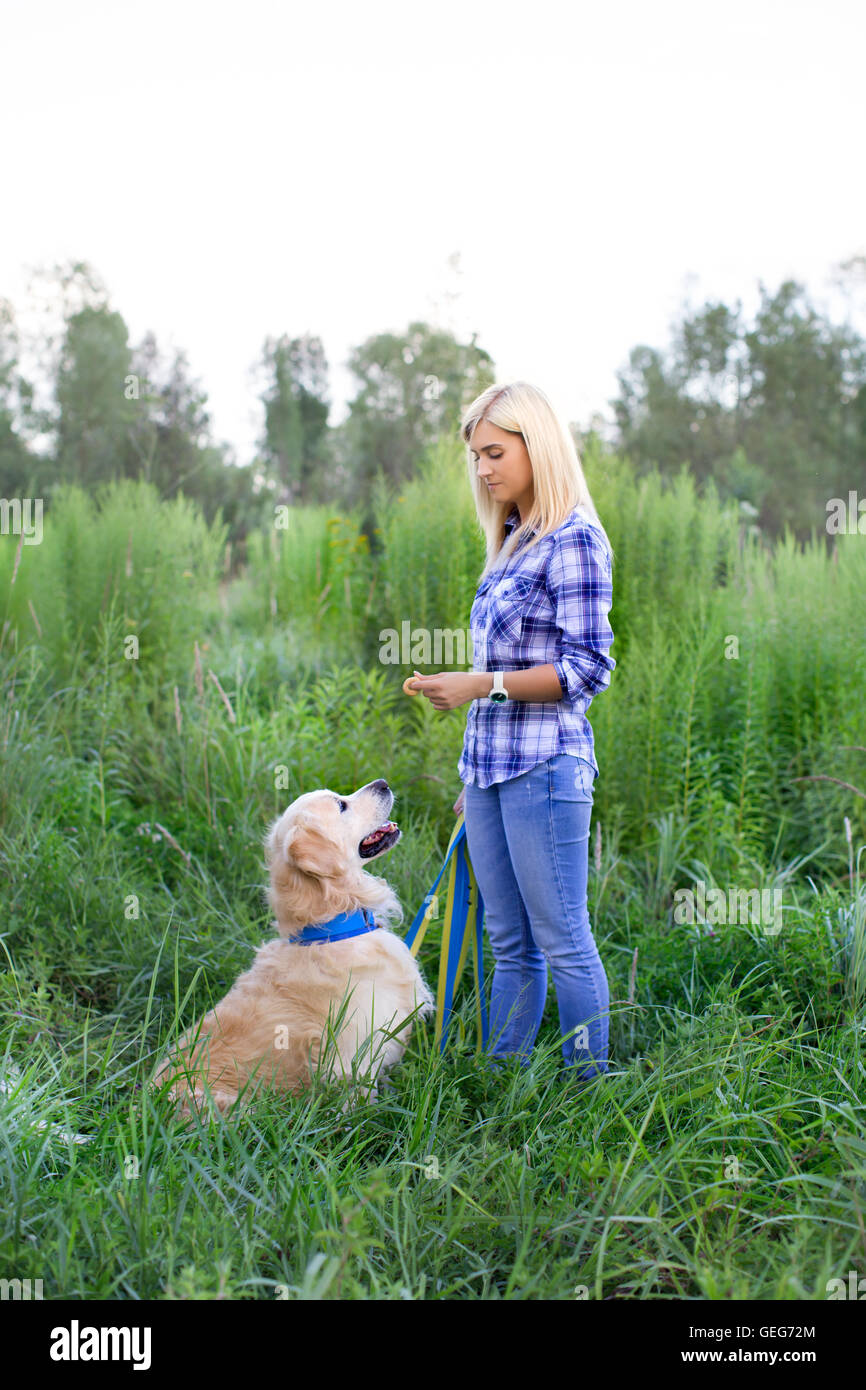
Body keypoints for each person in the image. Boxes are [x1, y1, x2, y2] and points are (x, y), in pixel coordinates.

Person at [409, 381, 615, 1081]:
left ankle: (592, 1098)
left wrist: (478, 685)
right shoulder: (509, 539)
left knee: (561, 940)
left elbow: (585, 669)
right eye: (475, 457)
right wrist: (473, 778)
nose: (484, 469)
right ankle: (498, 1088)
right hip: (491, 770)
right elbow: (497, 662)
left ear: (538, 444)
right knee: (508, 941)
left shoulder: (576, 539)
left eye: (494, 452)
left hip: (545, 767)